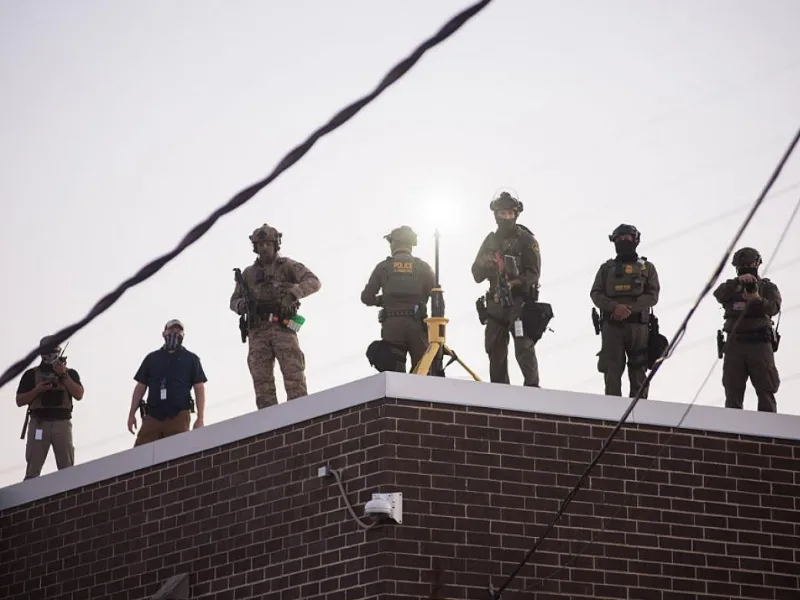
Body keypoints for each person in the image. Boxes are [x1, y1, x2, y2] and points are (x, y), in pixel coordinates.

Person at [230, 223, 322, 409]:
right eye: (260, 244)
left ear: (275, 245)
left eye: (268, 244)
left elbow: (313, 282)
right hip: (258, 331)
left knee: (294, 376)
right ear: (255, 247)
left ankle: (299, 417)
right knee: (261, 381)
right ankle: (268, 425)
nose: (264, 247)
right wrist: (243, 306)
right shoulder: (248, 274)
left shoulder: (287, 266)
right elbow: (234, 301)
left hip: (283, 327)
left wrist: (293, 294)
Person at [471, 191, 544, 387]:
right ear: (496, 215)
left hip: (519, 302)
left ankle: (532, 388)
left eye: (510, 214)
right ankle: (499, 391)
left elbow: (534, 274)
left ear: (516, 214)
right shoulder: (490, 241)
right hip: (495, 303)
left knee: (523, 347)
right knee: (495, 349)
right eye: (502, 214)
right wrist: (487, 265)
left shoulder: (527, 240)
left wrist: (514, 282)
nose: (506, 218)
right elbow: (476, 273)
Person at [590, 224, 660, 398]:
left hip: (638, 326)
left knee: (639, 368)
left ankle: (640, 411)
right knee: (612, 369)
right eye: (620, 239)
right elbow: (596, 293)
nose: (624, 241)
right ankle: (612, 410)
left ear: (635, 240)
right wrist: (614, 307)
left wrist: (628, 309)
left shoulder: (647, 267)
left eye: (628, 238)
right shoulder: (606, 269)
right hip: (612, 325)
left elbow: (652, 295)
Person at [713, 247, 781, 412]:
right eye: (743, 265)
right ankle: (733, 432)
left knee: (766, 388)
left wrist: (757, 299)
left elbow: (774, 307)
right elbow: (718, 294)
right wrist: (738, 282)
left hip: (759, 343)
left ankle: (768, 429)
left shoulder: (766, 286)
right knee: (733, 389)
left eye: (749, 264)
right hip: (735, 343)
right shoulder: (730, 287)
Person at [361, 225, 436, 373]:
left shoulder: (383, 267)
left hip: (392, 326)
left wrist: (382, 300)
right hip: (418, 325)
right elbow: (436, 295)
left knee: (395, 376)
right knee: (424, 372)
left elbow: (366, 298)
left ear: (394, 243)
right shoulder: (423, 267)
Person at [127, 319, 207, 446]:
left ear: (183, 335)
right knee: (142, 453)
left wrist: (200, 418)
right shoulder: (152, 358)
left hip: (178, 415)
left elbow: (199, 388)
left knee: (178, 453)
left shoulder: (191, 359)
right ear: (164, 333)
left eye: (178, 330)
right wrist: (132, 414)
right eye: (171, 330)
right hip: (153, 415)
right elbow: (140, 387)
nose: (175, 332)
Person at [15, 335, 84, 480]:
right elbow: (20, 400)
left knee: (67, 469)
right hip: (39, 424)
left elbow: (79, 394)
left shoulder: (70, 373)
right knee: (33, 468)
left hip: (62, 424)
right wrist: (37, 390)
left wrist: (64, 375)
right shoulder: (31, 375)